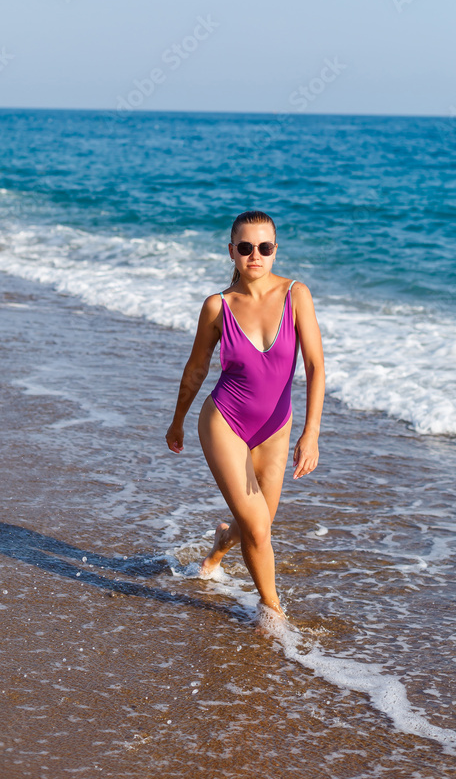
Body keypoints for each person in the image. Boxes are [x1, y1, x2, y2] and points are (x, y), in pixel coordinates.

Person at [165, 210, 325, 618]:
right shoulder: (217, 306)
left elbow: (314, 367)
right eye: (246, 247)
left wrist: (312, 433)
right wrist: (178, 419)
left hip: (276, 428)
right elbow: (197, 367)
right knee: (257, 527)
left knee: (258, 522)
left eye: (265, 247)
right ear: (232, 251)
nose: (256, 255)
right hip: (224, 421)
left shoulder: (296, 295)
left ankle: (219, 545)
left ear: (275, 251)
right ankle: (273, 615)